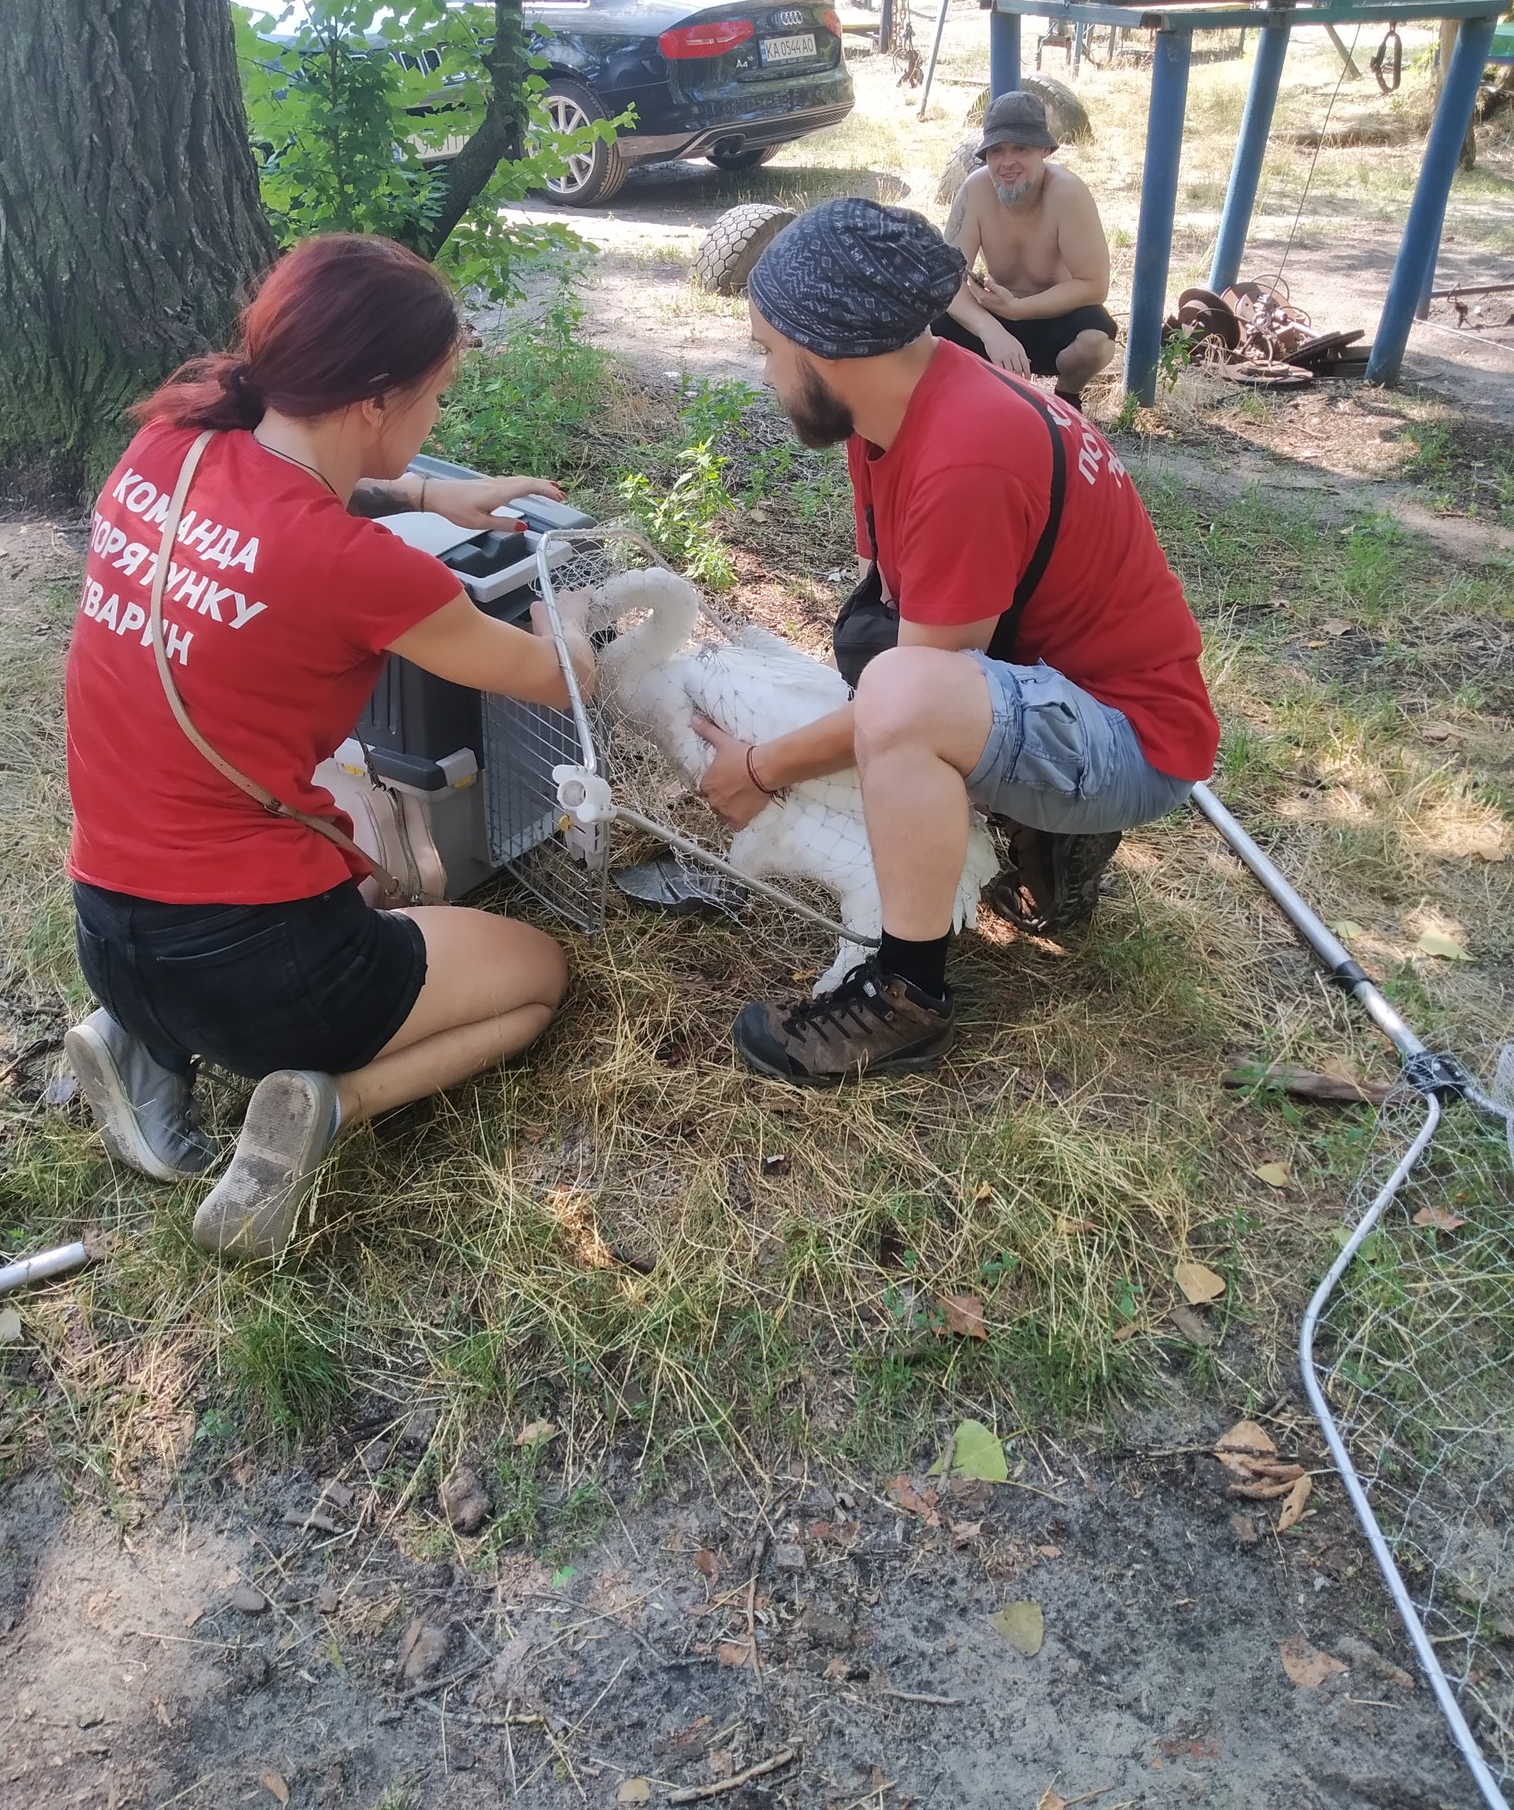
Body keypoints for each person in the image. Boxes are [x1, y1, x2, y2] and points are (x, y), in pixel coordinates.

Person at [63, 233, 598, 1258]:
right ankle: (327, 1100)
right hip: (260, 972)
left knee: (349, 872)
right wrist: (577, 618)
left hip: (108, 920)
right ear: (375, 399)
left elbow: (290, 494)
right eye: (436, 396)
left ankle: (138, 1035)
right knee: (538, 973)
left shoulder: (166, 448)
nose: (438, 418)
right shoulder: (358, 569)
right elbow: (554, 676)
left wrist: (434, 493)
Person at [692, 198, 1218, 1085]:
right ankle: (1032, 832)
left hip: (1136, 741)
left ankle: (906, 997)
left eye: (770, 353)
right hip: (1061, 686)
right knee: (874, 643)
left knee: (899, 694)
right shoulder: (895, 407)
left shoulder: (965, 456)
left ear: (828, 352)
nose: (769, 374)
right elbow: (900, 618)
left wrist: (761, 766)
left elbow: (915, 694)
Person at [932, 91, 1117, 410]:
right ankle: (964, 400)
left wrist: (1018, 308)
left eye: (1021, 148)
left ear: (1044, 150)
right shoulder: (975, 190)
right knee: (922, 329)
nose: (1007, 162)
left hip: (1052, 317)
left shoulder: (1067, 193)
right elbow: (944, 279)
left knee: (1097, 341)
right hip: (991, 315)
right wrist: (991, 329)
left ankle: (1067, 397)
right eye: (997, 151)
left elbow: (1094, 286)